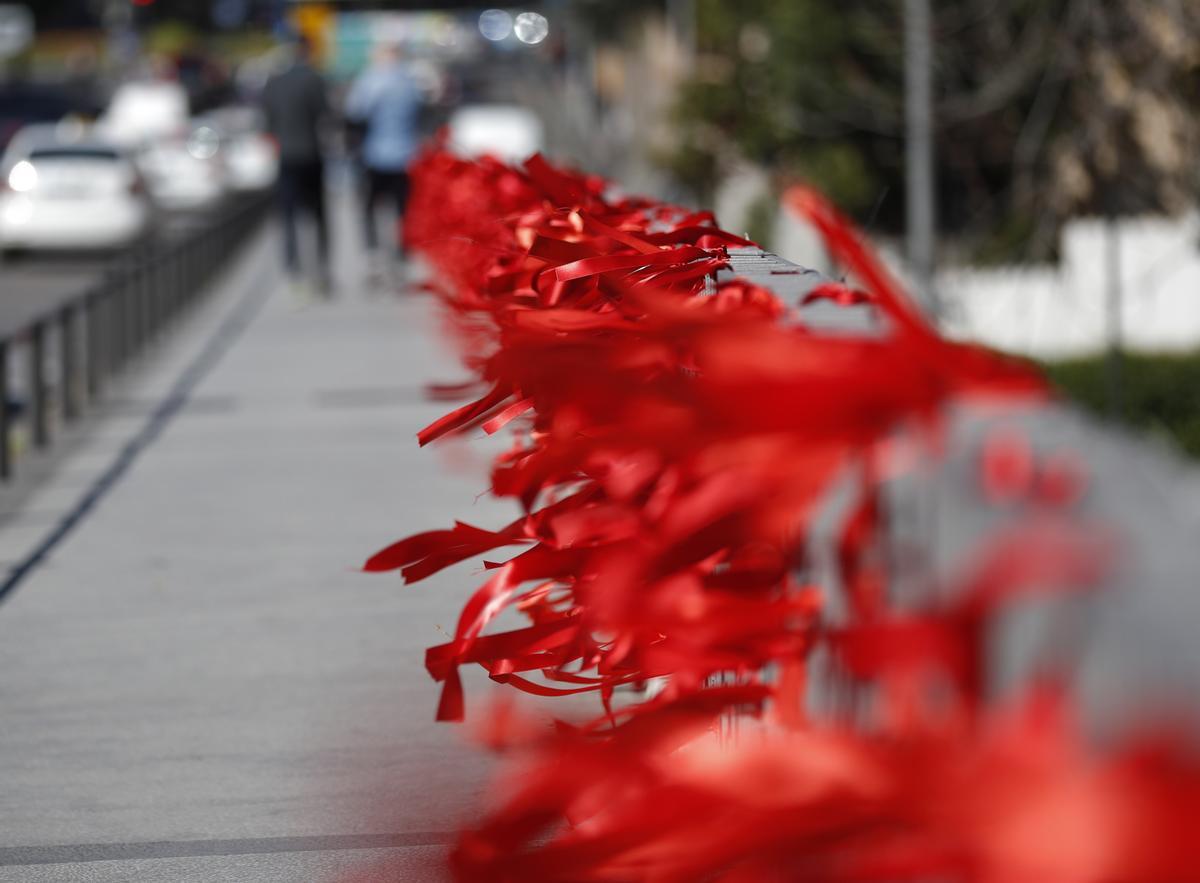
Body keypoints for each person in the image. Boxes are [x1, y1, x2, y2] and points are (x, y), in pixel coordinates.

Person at [345, 43, 421, 280]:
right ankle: (401, 255)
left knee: (370, 208)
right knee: (403, 208)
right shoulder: (409, 81)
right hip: (405, 154)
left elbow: (355, 112)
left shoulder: (369, 81)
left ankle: (374, 255)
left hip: (374, 154)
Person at [261, 36, 332, 292]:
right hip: (311, 154)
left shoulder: (275, 82)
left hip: (286, 156)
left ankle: (293, 271)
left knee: (288, 216)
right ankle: (321, 269)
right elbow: (325, 114)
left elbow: (267, 122)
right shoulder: (314, 79)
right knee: (318, 215)